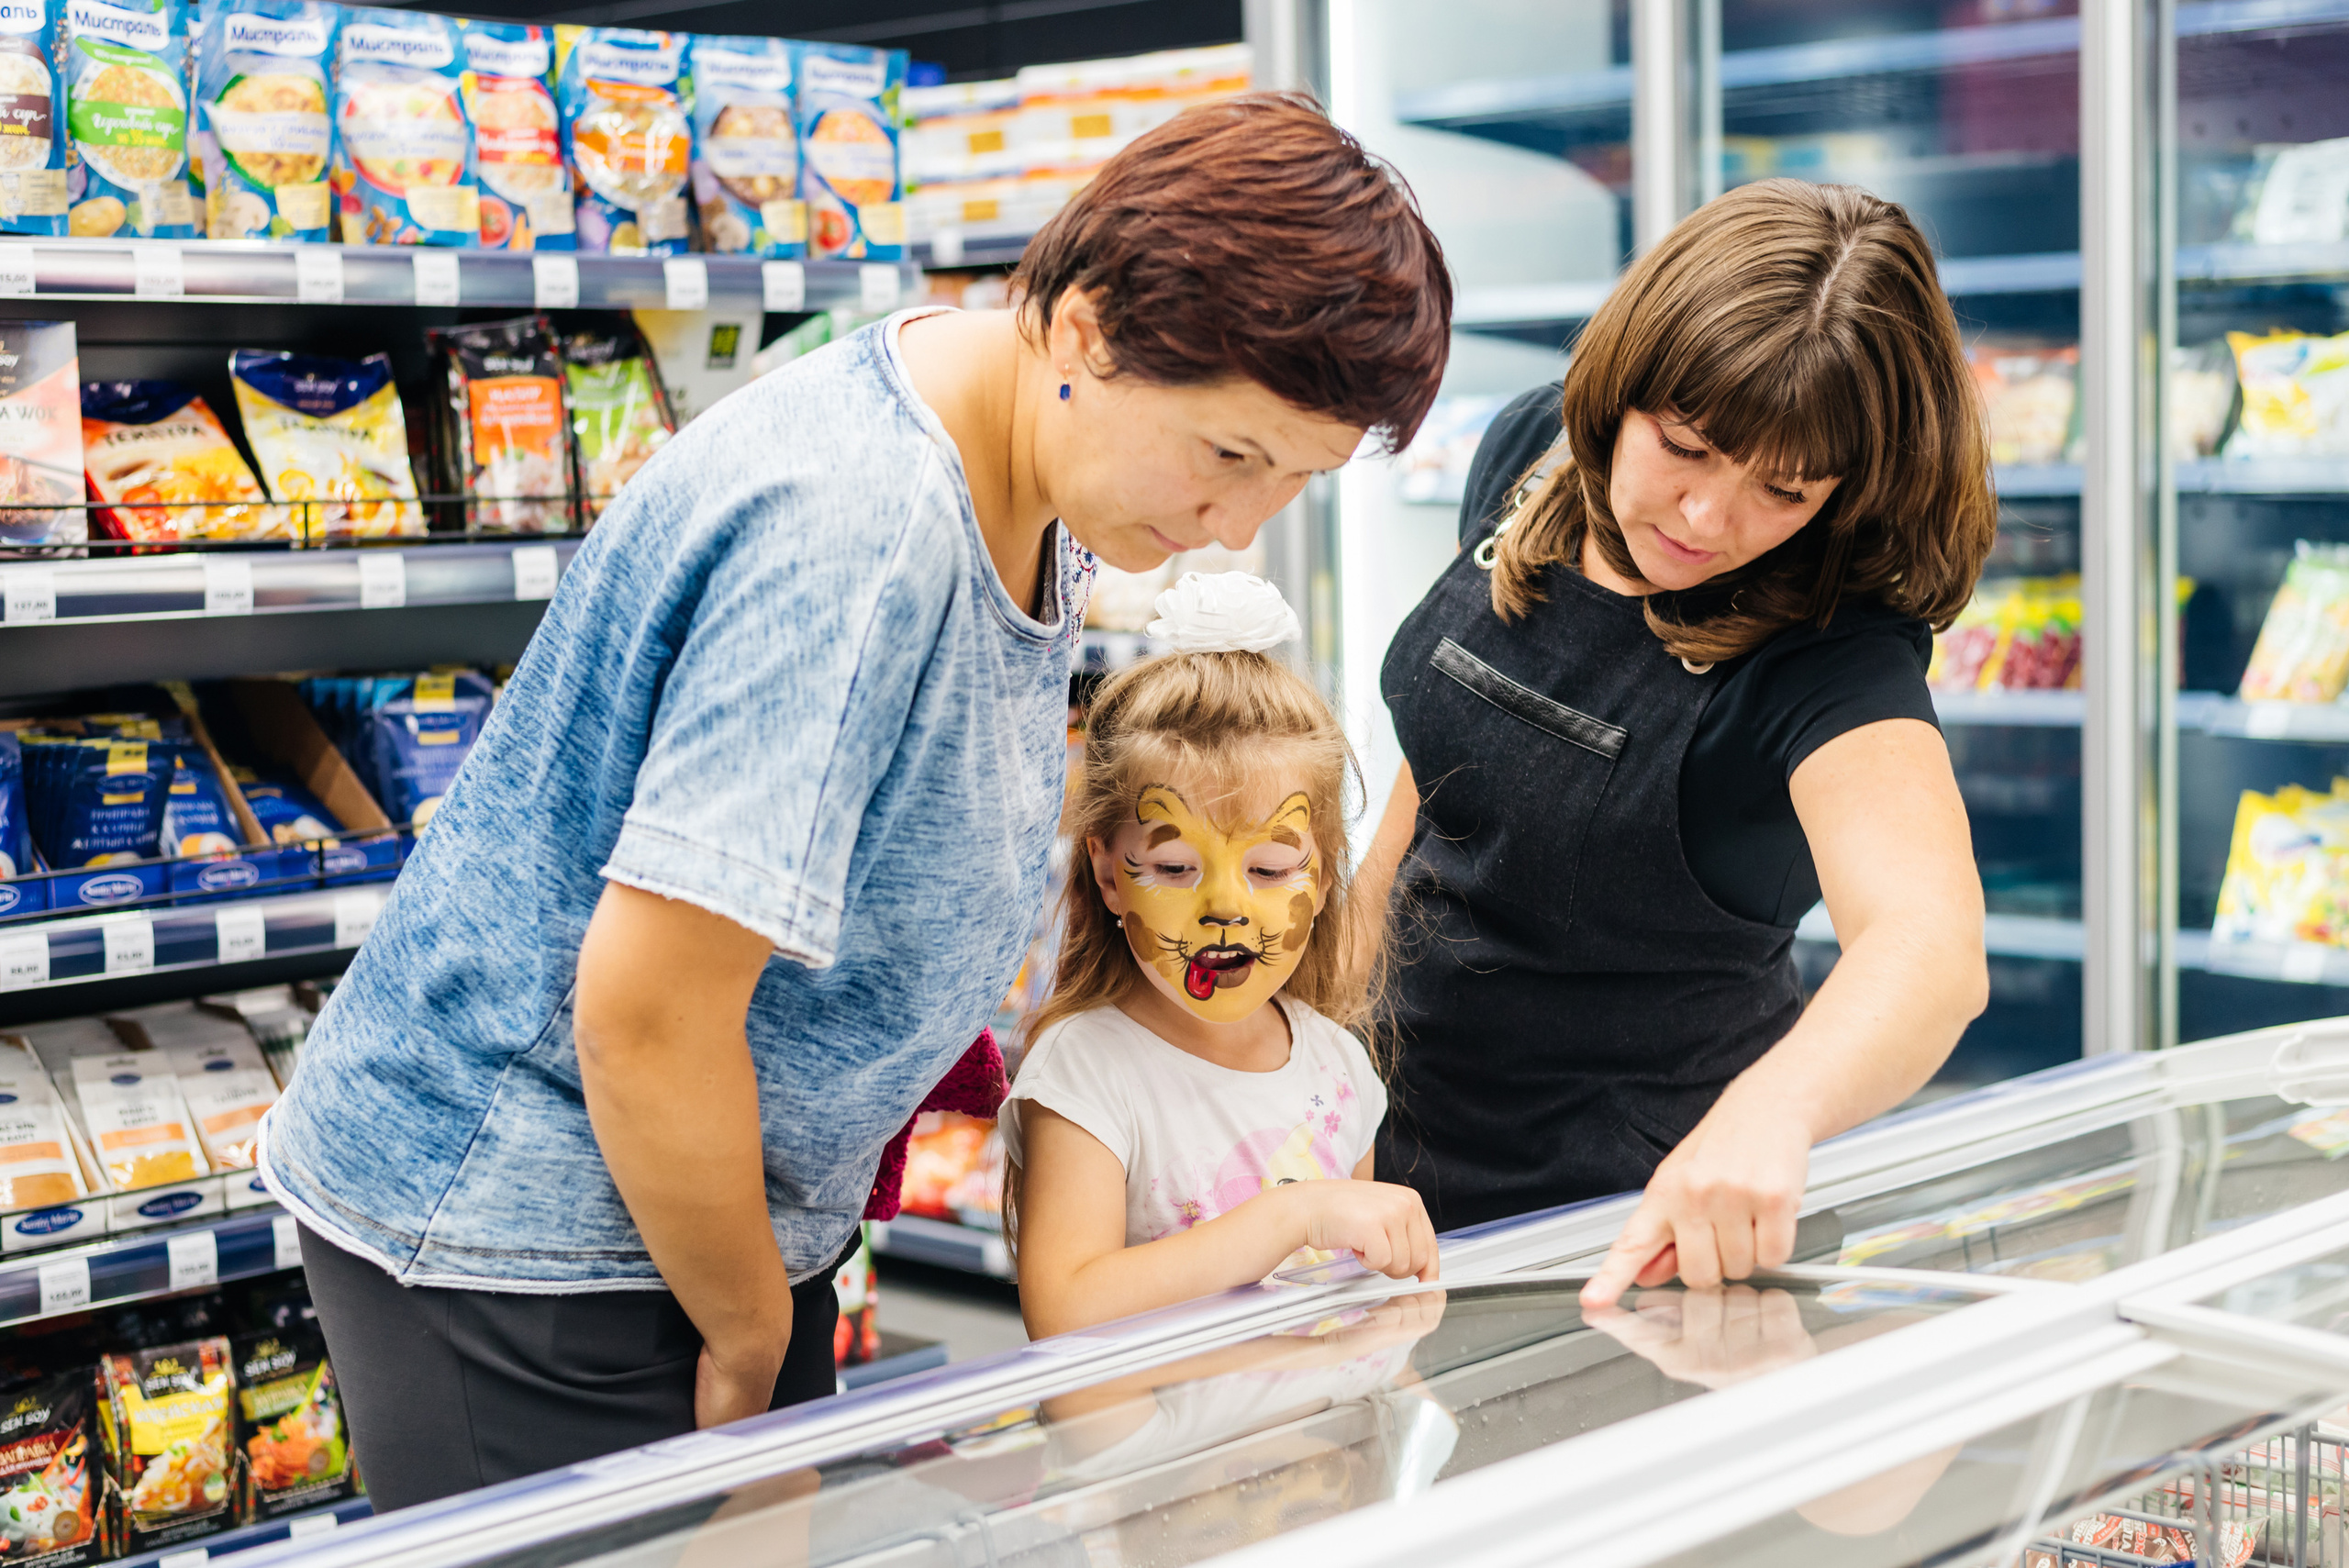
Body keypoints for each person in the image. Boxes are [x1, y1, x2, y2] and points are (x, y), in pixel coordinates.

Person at [258, 93, 1453, 1510]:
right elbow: (648, 1013)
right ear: (1084, 329)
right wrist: (757, 1324)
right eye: (1229, 457)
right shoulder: (861, 533)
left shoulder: (1031, 460)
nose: (1235, 526)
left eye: (1295, 482)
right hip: (537, 1241)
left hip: (706, 1224)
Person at [1359, 178, 1997, 1310]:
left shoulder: (1831, 653)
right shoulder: (1534, 452)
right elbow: (1446, 771)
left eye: (1783, 487)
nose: (1706, 517)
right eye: (1685, 444)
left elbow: (1929, 944)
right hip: (1383, 1172)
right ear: (1621, 384)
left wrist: (1771, 1111)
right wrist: (1316, 998)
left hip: (1634, 1241)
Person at [1002, 573, 1438, 1340]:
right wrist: (1294, 1212)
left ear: (1324, 873)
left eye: (1270, 869)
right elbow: (1063, 1309)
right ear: (1108, 873)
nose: (1227, 907)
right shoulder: (1086, 1072)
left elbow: (1345, 1308)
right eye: (1174, 868)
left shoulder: (1338, 1070)